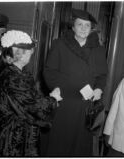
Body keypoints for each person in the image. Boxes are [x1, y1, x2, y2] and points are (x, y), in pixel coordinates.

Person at [0, 30, 63, 157]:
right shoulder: (13, 77)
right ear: (18, 54)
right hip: (12, 137)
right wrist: (53, 99)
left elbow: (29, 98)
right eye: (29, 50)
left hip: (21, 132)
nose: (31, 53)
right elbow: (32, 106)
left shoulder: (19, 73)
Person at [43, 9, 108, 156]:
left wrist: (98, 89)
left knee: (79, 144)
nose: (84, 28)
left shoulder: (98, 49)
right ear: (73, 27)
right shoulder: (59, 44)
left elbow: (102, 76)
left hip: (85, 104)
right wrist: (57, 88)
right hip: (64, 102)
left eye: (87, 25)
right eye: (80, 25)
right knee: (60, 142)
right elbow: (49, 71)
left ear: (91, 29)